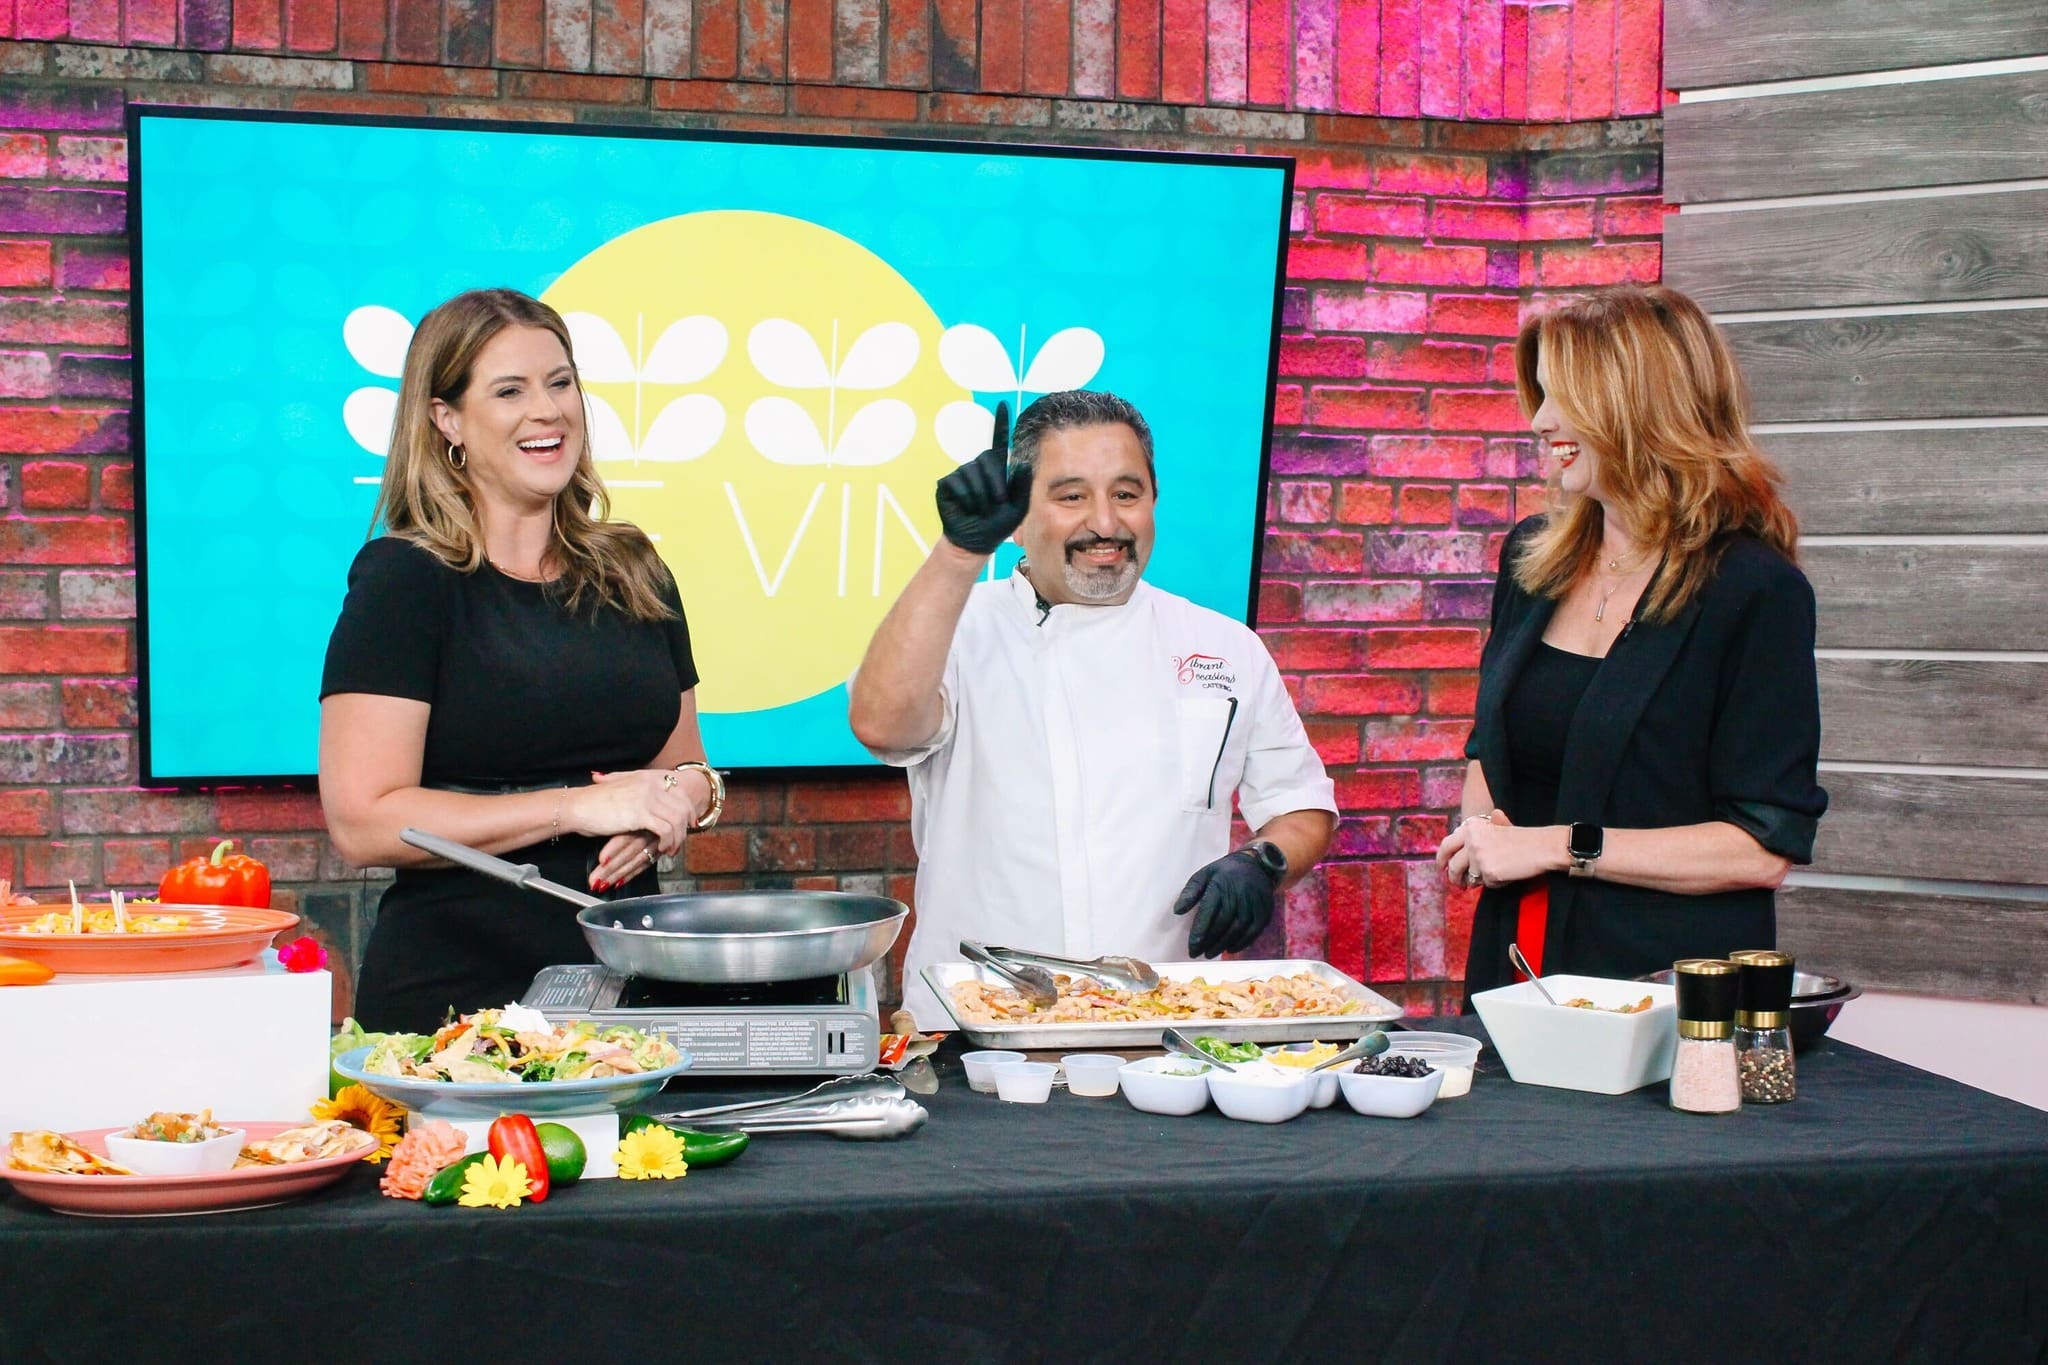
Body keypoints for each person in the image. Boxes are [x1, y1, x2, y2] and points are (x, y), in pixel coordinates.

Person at [849, 390, 1338, 1028]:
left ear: (1154, 502)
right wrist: (959, 552)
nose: (1105, 523)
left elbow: (1300, 806)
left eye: (1126, 494)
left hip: (1164, 1020)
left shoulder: (1224, 647)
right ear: (1016, 518)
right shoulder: (955, 628)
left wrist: (1261, 862)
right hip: (973, 1018)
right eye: (1072, 496)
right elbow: (882, 726)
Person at [318, 288, 721, 1032]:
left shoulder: (634, 569)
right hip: (454, 1002)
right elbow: (363, 820)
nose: (548, 411)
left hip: (631, 990)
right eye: (510, 391)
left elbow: (688, 766)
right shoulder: (405, 579)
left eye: (559, 383)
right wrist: (576, 807)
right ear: (447, 419)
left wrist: (665, 809)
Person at [1436, 285, 1828, 999]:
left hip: (1666, 993)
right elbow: (1491, 748)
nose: (1540, 420)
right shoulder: (1531, 558)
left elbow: (1761, 847)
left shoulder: (1755, 591)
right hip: (1514, 969)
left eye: (1564, 398)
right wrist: (1484, 831)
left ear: (1637, 405)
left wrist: (1553, 846)